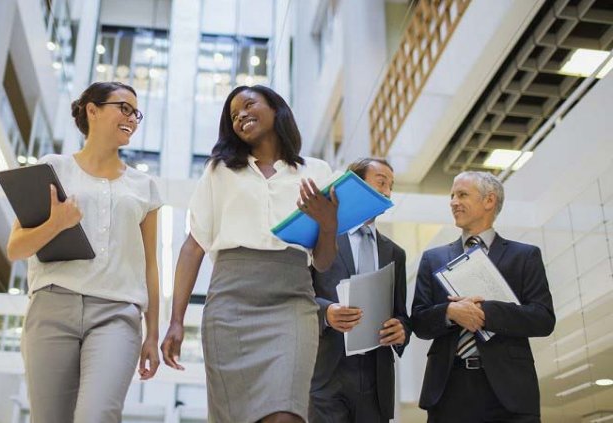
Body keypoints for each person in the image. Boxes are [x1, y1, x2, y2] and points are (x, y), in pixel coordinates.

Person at [160, 85, 339, 423]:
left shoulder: (316, 171)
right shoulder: (220, 171)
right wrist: (176, 320)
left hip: (292, 302)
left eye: (248, 104)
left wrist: (328, 224)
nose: (240, 114)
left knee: (287, 414)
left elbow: (324, 261)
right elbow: (193, 245)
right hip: (231, 305)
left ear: (276, 108)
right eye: (233, 114)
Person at [7, 81, 162, 423]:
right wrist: (56, 224)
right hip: (52, 306)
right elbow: (15, 248)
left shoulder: (144, 187)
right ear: (92, 110)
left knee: (98, 415)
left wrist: (153, 333)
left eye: (136, 113)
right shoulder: (53, 168)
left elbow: (151, 266)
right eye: (124, 108)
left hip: (117, 313)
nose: (133, 118)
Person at [411, 171, 555, 423]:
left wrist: (485, 312)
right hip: (447, 391)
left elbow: (543, 319)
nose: (453, 202)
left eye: (462, 194)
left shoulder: (525, 256)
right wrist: (449, 313)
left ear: (489, 201)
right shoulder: (433, 258)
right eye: (452, 195)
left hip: (510, 394)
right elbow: (420, 322)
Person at [310, 158, 411, 423]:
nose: (388, 193)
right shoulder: (321, 238)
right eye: (381, 183)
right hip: (327, 373)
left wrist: (402, 330)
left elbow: (401, 314)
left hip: (376, 379)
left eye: (391, 186)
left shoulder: (395, 253)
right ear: (355, 185)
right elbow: (299, 296)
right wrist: (327, 312)